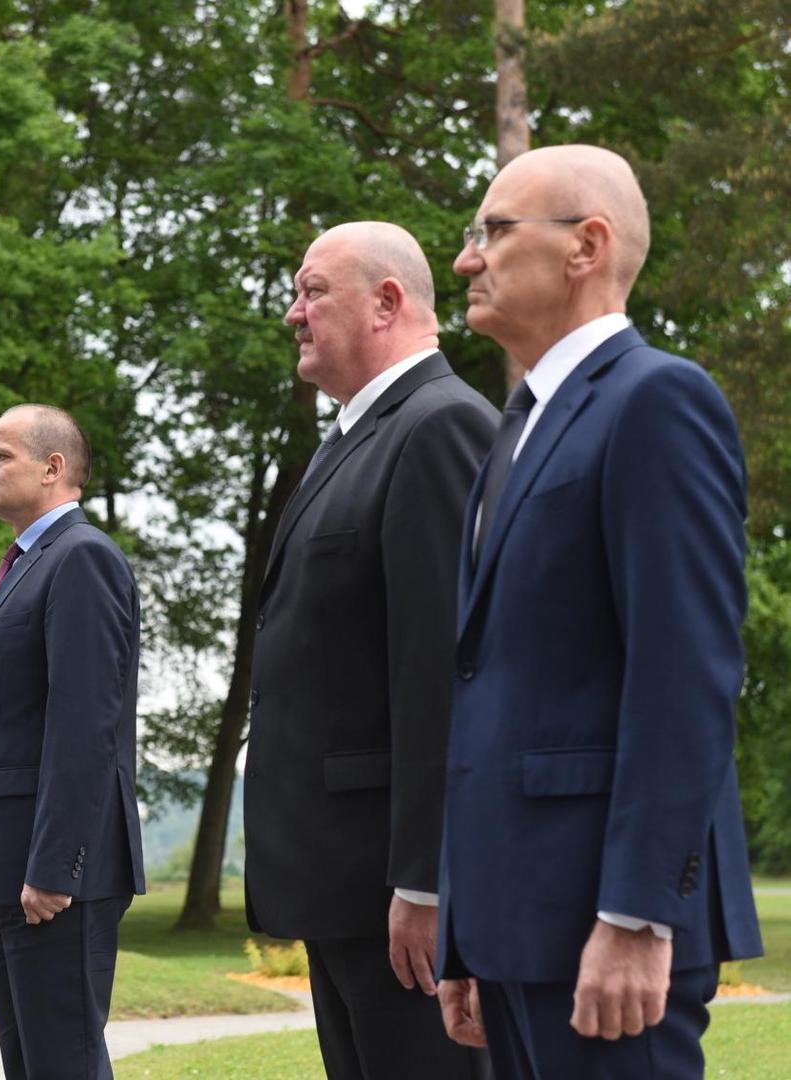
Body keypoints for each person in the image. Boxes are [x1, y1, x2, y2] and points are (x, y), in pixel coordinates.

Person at [436, 144, 764, 1078]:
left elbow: (685, 676)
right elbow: (486, 691)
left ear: (585, 245)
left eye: (493, 232)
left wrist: (635, 915)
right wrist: (465, 930)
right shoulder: (515, 431)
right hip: (512, 927)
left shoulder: (657, 400)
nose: (467, 259)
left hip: (601, 929)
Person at [243, 222, 497, 1079]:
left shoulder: (439, 426)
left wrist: (427, 884)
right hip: (343, 885)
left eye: (312, 290)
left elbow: (445, 673)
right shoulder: (354, 437)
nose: (292, 313)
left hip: (396, 896)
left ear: (387, 300)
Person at [0, 404, 145, 1079]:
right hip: (4, 865)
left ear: (52, 469)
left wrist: (57, 864)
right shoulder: (26, 563)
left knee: (62, 1063)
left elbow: (85, 725)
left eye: (0, 456)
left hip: (53, 878)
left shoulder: (81, 558)